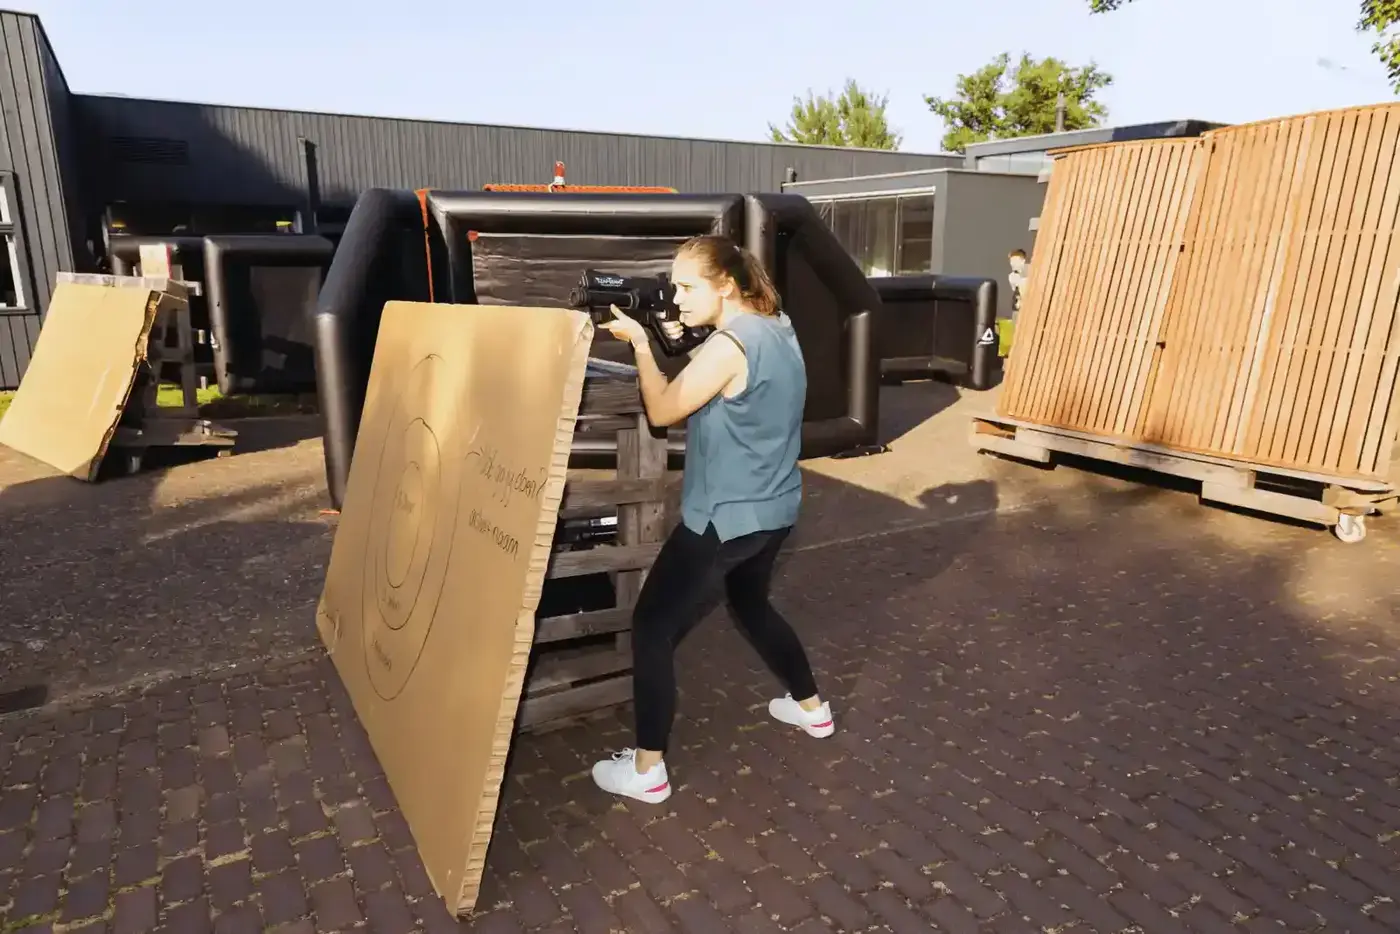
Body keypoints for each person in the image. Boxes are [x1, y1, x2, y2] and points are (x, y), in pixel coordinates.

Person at [590, 234, 834, 804]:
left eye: (687, 287)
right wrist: (672, 336)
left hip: (723, 517)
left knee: (651, 627)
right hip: (774, 510)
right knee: (750, 604)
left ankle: (648, 771)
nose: (675, 299)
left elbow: (663, 409)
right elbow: (723, 370)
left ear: (726, 285)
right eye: (673, 286)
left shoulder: (729, 346)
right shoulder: (777, 325)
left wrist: (642, 348)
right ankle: (812, 710)